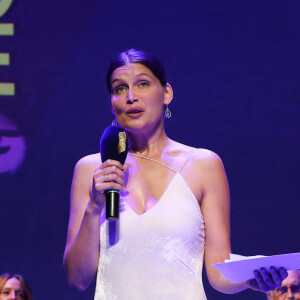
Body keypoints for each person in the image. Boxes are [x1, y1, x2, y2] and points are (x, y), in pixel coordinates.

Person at [63, 49, 287, 299]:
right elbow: (77, 278)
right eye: (119, 89)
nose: (131, 97)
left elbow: (218, 273)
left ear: (166, 93)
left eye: (143, 84)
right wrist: (94, 206)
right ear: (111, 102)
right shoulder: (91, 169)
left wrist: (252, 274)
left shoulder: (204, 165)